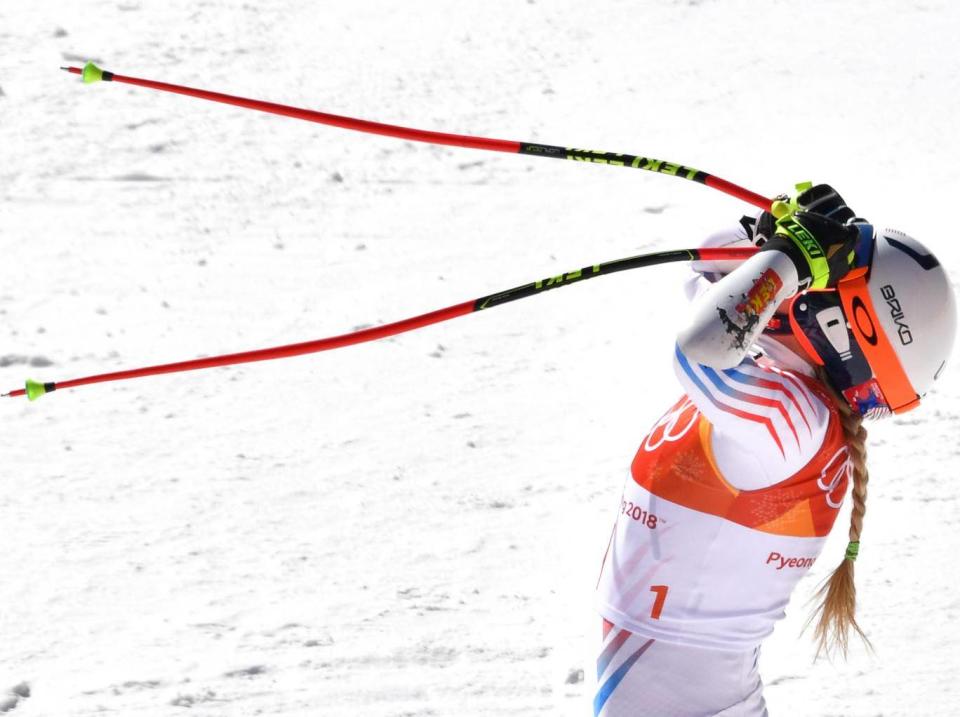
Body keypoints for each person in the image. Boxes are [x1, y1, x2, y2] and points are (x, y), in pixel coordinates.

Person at [592, 184, 957, 716]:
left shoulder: (792, 420)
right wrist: (772, 238)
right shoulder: (791, 397)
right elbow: (707, 274)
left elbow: (701, 348)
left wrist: (788, 260)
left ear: (838, 325)